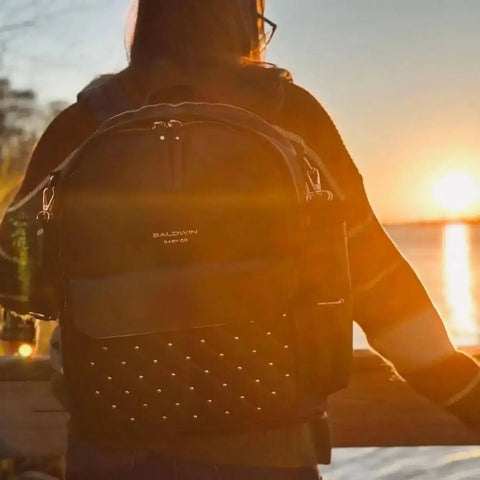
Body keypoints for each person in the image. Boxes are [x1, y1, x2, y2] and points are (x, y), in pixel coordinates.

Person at [0, 1, 479, 479]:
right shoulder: (287, 112)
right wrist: (460, 389)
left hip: (112, 450)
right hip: (269, 448)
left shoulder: (83, 123)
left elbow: (16, 276)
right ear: (242, 17)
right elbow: (374, 278)